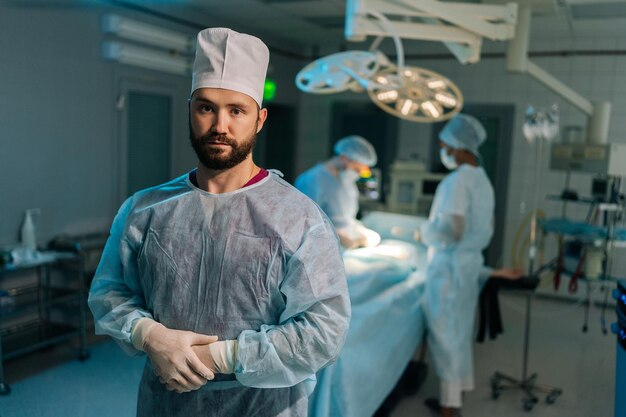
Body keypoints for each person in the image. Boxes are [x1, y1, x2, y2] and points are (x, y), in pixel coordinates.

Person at [88, 27, 351, 417]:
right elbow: (109, 293)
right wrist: (152, 337)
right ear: (190, 111)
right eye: (207, 107)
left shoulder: (299, 219)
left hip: (262, 404)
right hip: (165, 403)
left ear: (260, 119)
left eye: (237, 110)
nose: (220, 126)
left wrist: (220, 357)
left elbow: (323, 331)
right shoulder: (144, 209)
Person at [417, 114, 495, 417]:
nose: (443, 151)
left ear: (460, 148)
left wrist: (423, 233)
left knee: (445, 333)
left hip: (450, 267)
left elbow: (452, 230)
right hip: (468, 263)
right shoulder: (482, 179)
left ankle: (449, 407)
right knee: (459, 332)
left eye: (445, 145)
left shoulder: (458, 180)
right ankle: (457, 394)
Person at [294, 135, 379, 249]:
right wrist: (338, 236)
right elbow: (304, 223)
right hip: (322, 248)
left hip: (348, 246)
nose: (358, 174)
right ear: (344, 158)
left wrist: (360, 231)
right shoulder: (311, 180)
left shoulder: (347, 182)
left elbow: (346, 219)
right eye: (356, 169)